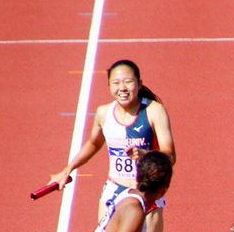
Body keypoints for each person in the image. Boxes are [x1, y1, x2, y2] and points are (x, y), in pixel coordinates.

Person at [48, 59, 175, 222]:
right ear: (109, 85)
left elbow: (170, 156)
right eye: (116, 83)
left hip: (147, 193)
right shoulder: (104, 113)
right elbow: (94, 143)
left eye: (128, 81)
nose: (122, 88)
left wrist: (146, 155)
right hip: (114, 191)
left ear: (139, 83)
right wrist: (67, 170)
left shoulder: (154, 111)